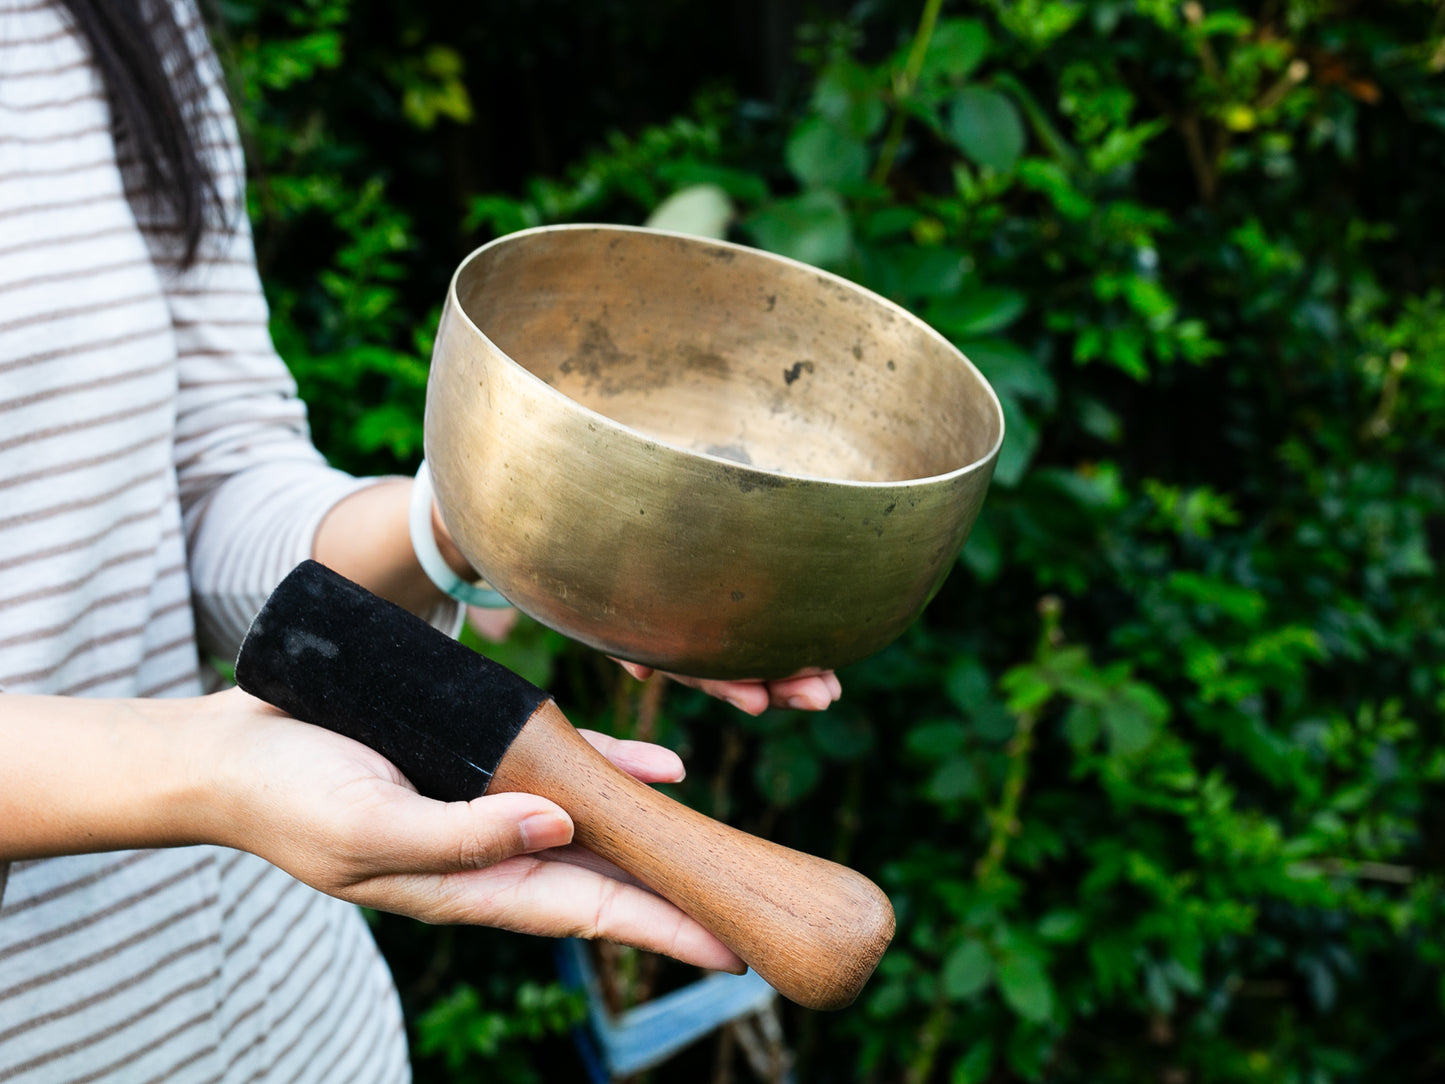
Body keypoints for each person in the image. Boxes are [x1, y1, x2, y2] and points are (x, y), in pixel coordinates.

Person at [0, 1, 841, 1080]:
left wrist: (473, 525)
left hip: (298, 1028)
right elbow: (205, 755)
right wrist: (203, 770)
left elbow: (212, 486)